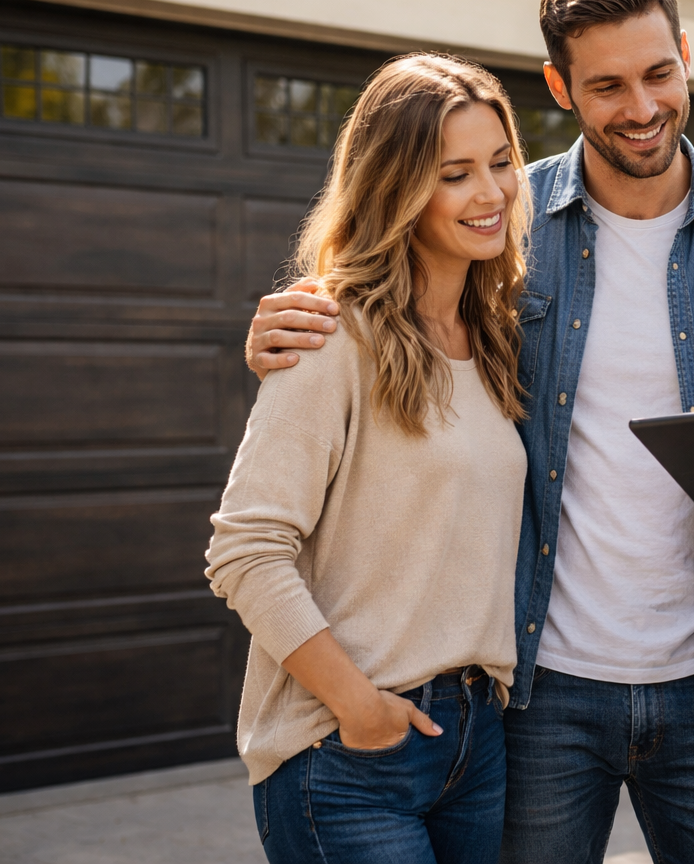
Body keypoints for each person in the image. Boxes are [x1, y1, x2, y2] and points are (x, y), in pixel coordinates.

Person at [243, 0, 694, 863]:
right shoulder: (505, 228)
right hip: (537, 696)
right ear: (560, 87)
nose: (642, 107)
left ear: (687, 53)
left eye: (659, 73)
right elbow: (381, 306)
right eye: (607, 84)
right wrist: (282, 328)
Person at [206, 54, 531, 864]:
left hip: (476, 741)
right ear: (398, 188)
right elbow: (244, 551)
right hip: (349, 754)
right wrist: (359, 706)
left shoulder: (493, 341)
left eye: (500, 164)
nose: (490, 194)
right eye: (454, 174)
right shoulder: (330, 334)